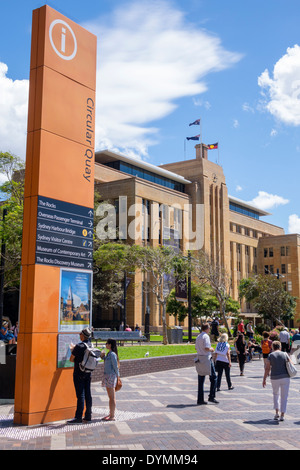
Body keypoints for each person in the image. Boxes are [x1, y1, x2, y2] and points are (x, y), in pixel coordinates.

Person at [262, 340, 293, 421]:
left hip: (274, 377)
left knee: (276, 394)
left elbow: (267, 368)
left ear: (272, 347)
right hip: (285, 377)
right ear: (280, 347)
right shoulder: (285, 354)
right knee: (284, 396)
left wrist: (264, 379)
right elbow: (291, 364)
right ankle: (282, 414)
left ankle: (276, 413)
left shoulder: (270, 355)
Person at [68, 328, 93, 424]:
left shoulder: (79, 346)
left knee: (80, 395)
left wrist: (72, 350)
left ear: (83, 335)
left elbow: (71, 359)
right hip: (88, 372)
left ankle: (78, 417)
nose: (79, 335)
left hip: (79, 373)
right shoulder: (90, 345)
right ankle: (88, 416)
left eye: (80, 334)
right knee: (88, 394)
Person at [195, 323, 218, 405]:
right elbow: (207, 348)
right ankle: (211, 396)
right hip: (206, 359)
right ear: (207, 328)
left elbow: (196, 347)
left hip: (199, 358)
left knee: (201, 379)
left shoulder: (198, 336)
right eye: (209, 328)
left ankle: (200, 399)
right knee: (214, 377)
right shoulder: (206, 336)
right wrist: (212, 349)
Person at [100, 338, 120, 421]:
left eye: (107, 343)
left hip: (111, 376)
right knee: (110, 397)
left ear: (110, 345)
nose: (106, 345)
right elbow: (108, 363)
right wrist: (103, 357)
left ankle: (112, 416)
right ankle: (111, 413)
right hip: (108, 376)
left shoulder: (112, 354)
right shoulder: (109, 354)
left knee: (112, 397)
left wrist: (118, 377)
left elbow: (115, 366)